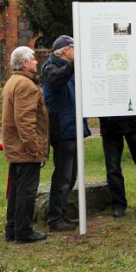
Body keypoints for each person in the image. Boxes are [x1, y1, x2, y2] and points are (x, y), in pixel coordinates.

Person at [42, 35, 90, 232]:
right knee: (63, 175)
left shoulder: (68, 68)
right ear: (64, 51)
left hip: (74, 127)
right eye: (74, 48)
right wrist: (74, 65)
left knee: (71, 176)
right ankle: (54, 218)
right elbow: (56, 80)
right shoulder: (50, 67)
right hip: (63, 129)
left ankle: (61, 214)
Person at [2, 46, 49, 243]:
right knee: (26, 191)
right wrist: (35, 149)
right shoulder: (25, 85)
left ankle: (12, 228)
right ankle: (23, 231)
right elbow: (25, 120)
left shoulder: (13, 81)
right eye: (33, 59)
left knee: (16, 190)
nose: (37, 62)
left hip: (16, 147)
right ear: (24, 63)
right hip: (25, 149)